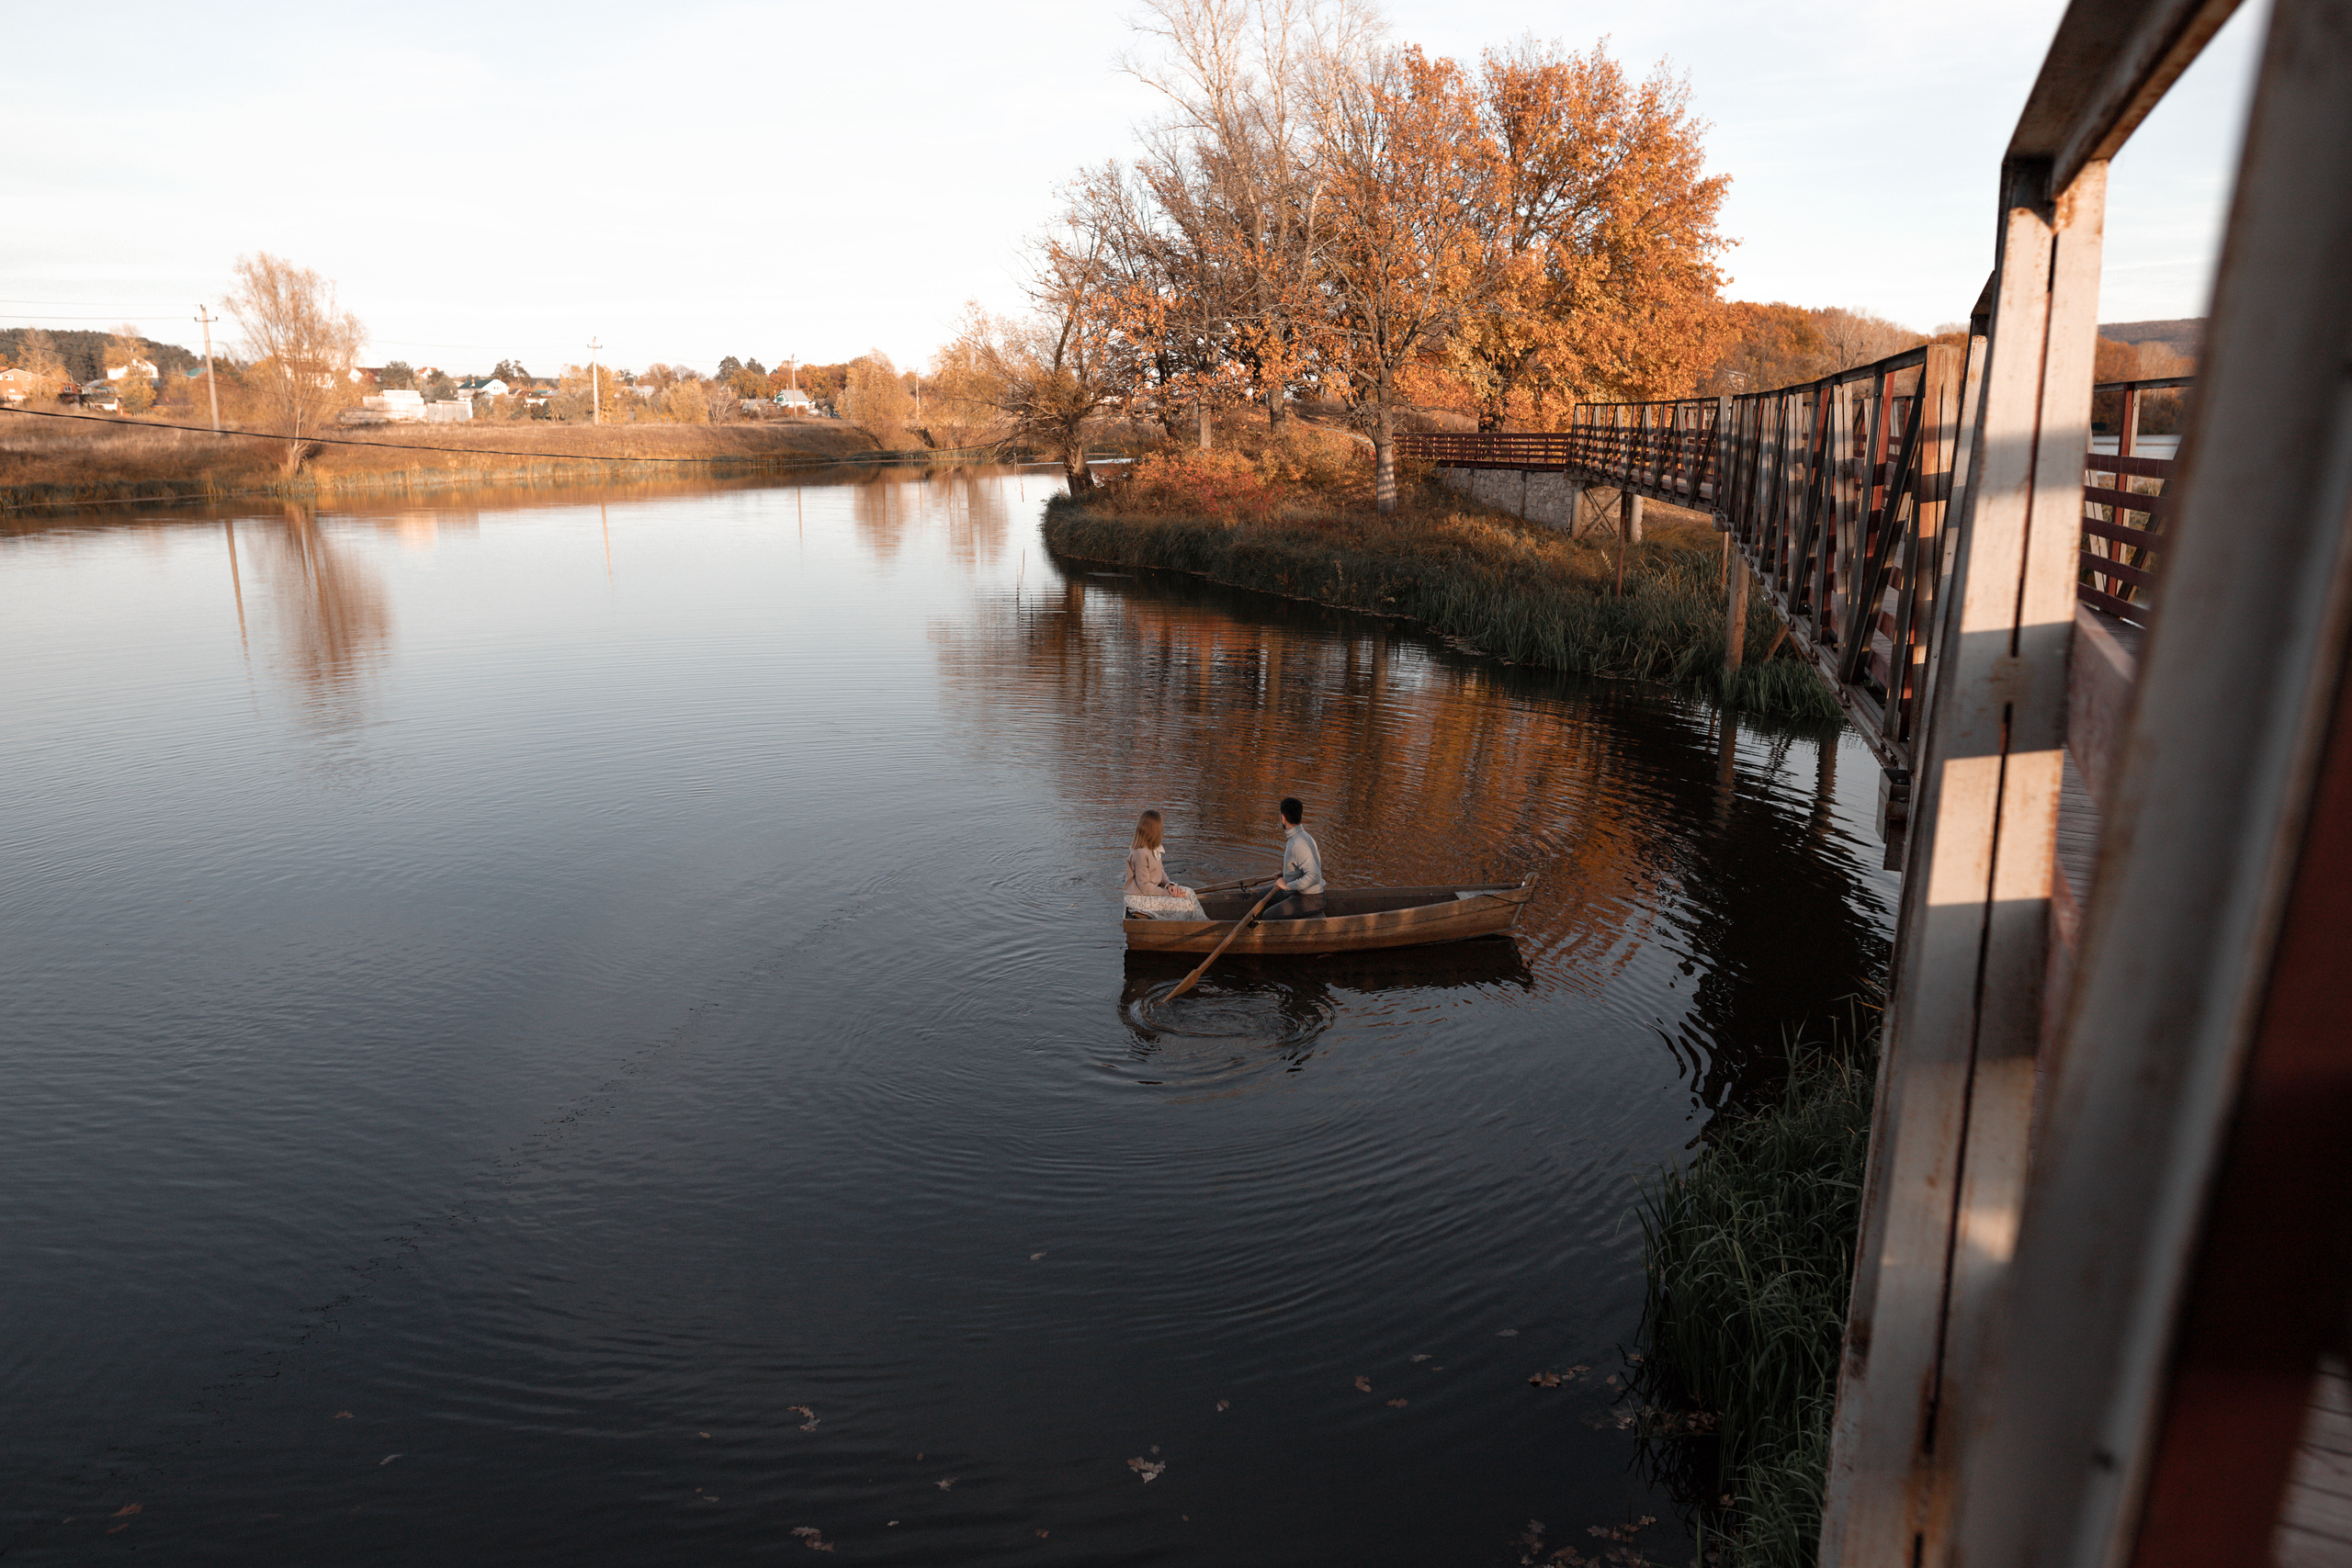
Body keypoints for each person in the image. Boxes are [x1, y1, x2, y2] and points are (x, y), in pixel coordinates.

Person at [1123, 809, 1204, 919]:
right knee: (1184, 905)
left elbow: (1161, 872)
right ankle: (1187, 929)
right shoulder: (1140, 854)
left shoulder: (1154, 849)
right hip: (1138, 897)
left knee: (1189, 893)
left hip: (1149, 892)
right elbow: (1144, 886)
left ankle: (1202, 922)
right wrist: (1167, 893)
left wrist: (1169, 885)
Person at [1261, 795, 1326, 920]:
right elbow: (1301, 865)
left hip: (1310, 899)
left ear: (1283, 817)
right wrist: (1285, 873)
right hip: (1298, 892)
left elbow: (1314, 876)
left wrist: (1287, 886)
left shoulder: (1298, 843)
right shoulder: (1300, 836)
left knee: (1267, 916)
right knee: (1261, 895)